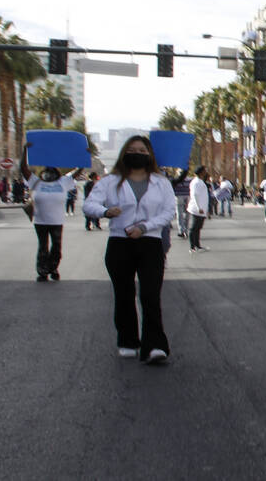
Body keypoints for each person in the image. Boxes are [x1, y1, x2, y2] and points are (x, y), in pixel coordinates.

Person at [83, 135, 175, 363]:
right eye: (133, 149)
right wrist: (105, 212)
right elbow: (89, 204)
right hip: (119, 242)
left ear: (150, 155)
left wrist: (145, 227)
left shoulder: (160, 182)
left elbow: (168, 212)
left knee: (150, 295)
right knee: (124, 294)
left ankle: (155, 345)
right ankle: (127, 340)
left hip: (150, 243)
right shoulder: (110, 181)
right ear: (124, 153)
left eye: (142, 150)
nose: (138, 153)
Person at [20, 146, 82, 282]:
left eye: (51, 172)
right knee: (43, 246)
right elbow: (23, 168)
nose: (48, 174)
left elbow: (77, 172)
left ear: (57, 173)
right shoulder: (36, 182)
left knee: (56, 247)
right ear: (43, 173)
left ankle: (53, 268)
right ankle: (42, 271)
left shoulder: (63, 182)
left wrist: (83, 156)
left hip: (56, 221)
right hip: (40, 221)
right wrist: (25, 151)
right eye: (46, 172)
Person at [187, 165, 210, 253]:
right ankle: (192, 247)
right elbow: (194, 195)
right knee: (194, 228)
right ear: (201, 172)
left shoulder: (200, 181)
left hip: (201, 209)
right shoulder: (196, 182)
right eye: (204, 170)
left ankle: (197, 245)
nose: (205, 172)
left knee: (198, 228)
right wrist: (198, 207)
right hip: (197, 209)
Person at [170, 168, 191, 239]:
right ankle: (183, 230)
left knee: (181, 214)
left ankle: (182, 230)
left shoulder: (175, 180)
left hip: (181, 196)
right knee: (184, 214)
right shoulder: (189, 180)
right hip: (182, 196)